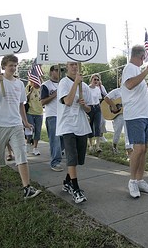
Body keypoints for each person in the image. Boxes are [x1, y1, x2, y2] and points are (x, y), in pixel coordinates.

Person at [0, 54, 41, 200]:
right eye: (10, 65)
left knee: (21, 154)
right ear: (4, 66)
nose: (13, 67)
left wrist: (25, 122)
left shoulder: (19, 84)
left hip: (16, 125)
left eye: (15, 65)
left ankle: (26, 188)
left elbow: (21, 105)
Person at [121, 45, 148, 198]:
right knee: (138, 149)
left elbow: (144, 87)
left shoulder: (137, 70)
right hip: (135, 116)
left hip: (144, 115)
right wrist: (147, 71)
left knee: (143, 149)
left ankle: (139, 180)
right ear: (142, 57)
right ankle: (132, 181)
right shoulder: (130, 68)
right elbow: (130, 85)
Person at [57, 61, 92, 204]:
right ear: (67, 67)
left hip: (81, 125)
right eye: (71, 64)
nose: (74, 67)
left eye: (76, 65)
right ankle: (75, 188)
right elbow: (68, 101)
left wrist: (85, 106)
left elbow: (90, 109)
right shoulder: (63, 83)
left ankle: (67, 181)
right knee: (71, 157)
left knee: (77, 158)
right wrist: (75, 83)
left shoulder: (84, 86)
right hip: (67, 125)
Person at [41, 65, 64, 171]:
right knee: (55, 140)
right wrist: (54, 95)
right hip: (52, 115)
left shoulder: (63, 84)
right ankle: (55, 162)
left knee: (64, 139)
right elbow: (42, 102)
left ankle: (59, 154)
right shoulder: (46, 85)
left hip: (64, 115)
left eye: (61, 70)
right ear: (51, 72)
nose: (59, 72)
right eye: (57, 70)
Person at [103, 86, 126, 154]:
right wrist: (114, 106)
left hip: (128, 113)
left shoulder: (130, 92)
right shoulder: (116, 91)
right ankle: (114, 146)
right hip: (118, 114)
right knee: (118, 130)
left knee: (128, 132)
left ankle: (129, 149)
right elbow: (106, 98)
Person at [87, 73, 106, 153]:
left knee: (97, 126)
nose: (96, 81)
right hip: (89, 108)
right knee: (90, 126)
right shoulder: (87, 88)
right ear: (91, 80)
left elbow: (99, 99)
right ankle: (90, 145)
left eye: (98, 80)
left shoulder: (98, 89)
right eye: (95, 79)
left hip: (97, 107)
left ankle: (98, 146)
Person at [25, 81, 44, 156]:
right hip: (30, 112)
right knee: (30, 130)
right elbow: (25, 99)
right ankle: (28, 143)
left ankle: (35, 148)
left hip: (39, 113)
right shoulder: (28, 87)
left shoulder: (42, 88)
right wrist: (30, 92)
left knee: (38, 131)